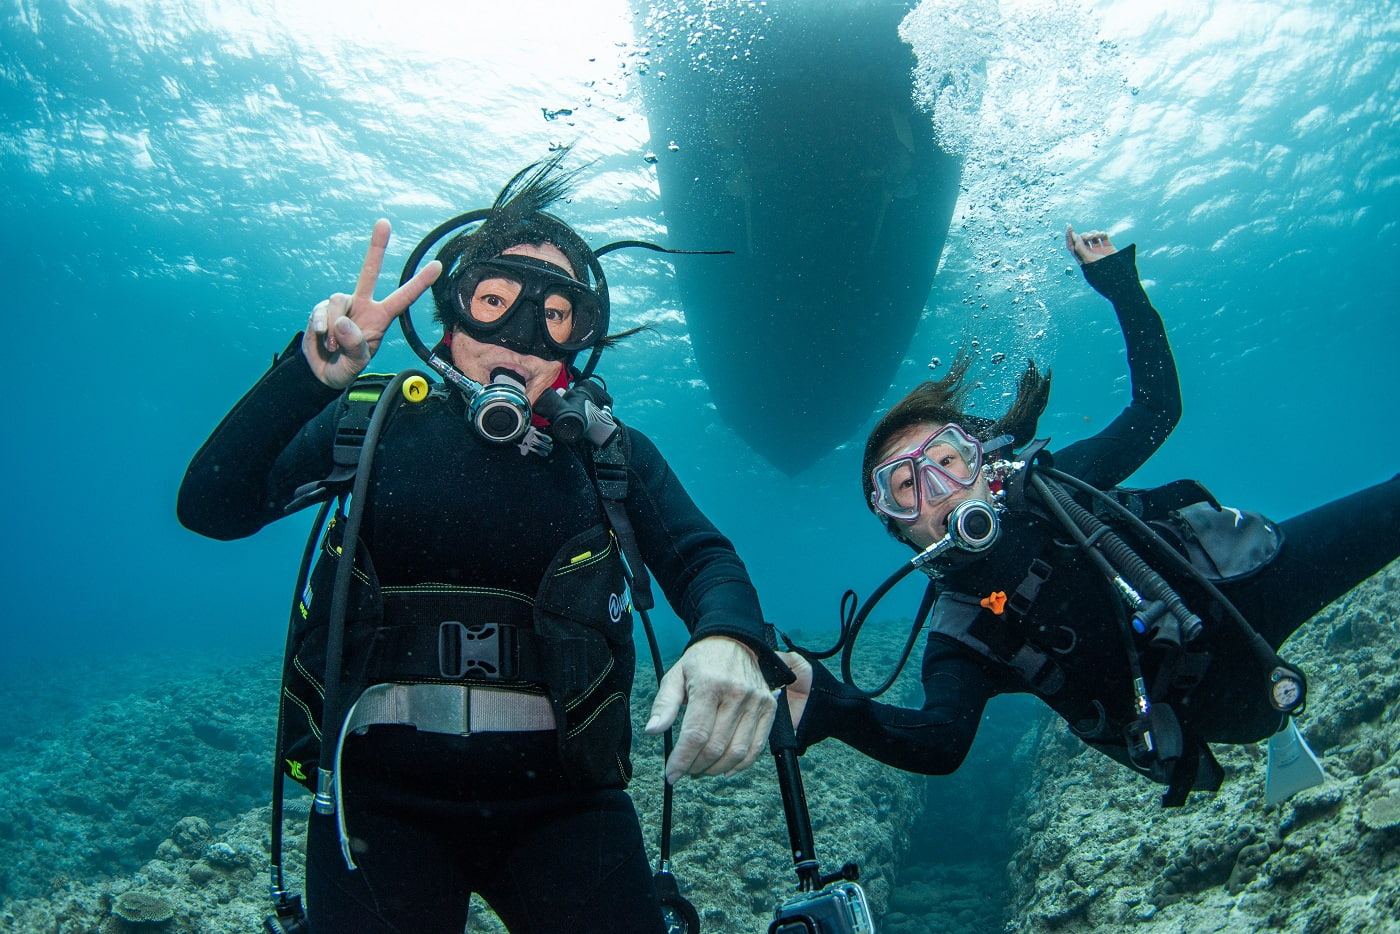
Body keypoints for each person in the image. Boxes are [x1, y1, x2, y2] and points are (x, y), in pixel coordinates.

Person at [177, 153, 789, 933]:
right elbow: (212, 507)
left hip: (565, 808)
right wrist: (307, 377)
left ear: (579, 340)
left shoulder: (607, 452)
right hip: (375, 809)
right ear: (448, 316)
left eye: (555, 315)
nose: (521, 338)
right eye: (495, 301)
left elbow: (704, 558)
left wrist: (729, 638)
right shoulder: (370, 425)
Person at [780, 225, 1400, 806]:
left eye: (950, 460)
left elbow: (1157, 409)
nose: (940, 489)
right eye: (907, 486)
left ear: (987, 465)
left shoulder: (1055, 486)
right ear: (896, 524)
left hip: (1246, 597)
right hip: (1198, 718)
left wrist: (1121, 288)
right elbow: (938, 741)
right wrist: (832, 707)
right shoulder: (964, 629)